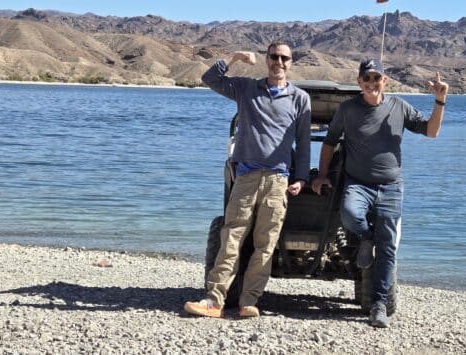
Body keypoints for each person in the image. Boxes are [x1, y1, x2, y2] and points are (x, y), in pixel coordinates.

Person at [311, 59, 449, 328]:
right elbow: (329, 142)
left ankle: (378, 305)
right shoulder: (348, 109)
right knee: (350, 213)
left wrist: (440, 101)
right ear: (359, 82)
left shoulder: (399, 107)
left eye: (377, 78)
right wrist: (322, 174)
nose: (372, 83)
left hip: (390, 187)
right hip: (358, 183)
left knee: (387, 250)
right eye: (367, 79)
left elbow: (431, 132)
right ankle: (365, 237)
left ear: (385, 81)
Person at [184, 41, 311, 318]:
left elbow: (303, 143)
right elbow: (210, 79)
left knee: (265, 244)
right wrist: (234, 57)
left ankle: (249, 301)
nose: (279, 62)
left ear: (291, 63)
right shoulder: (247, 89)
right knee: (231, 237)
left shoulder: (299, 98)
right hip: (246, 176)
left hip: (278, 179)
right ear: (267, 59)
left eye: (285, 58)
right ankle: (214, 299)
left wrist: (301, 177)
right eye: (275, 57)